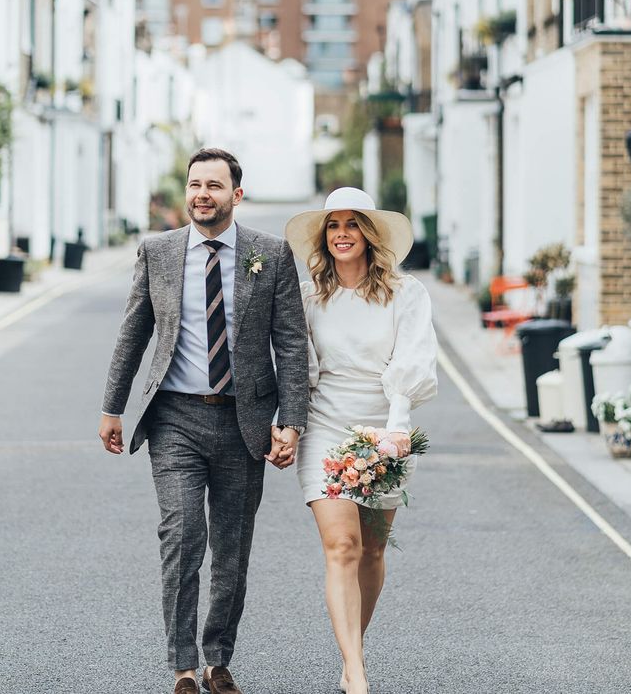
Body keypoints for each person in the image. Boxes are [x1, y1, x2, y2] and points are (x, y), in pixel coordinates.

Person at [99, 148, 308, 694]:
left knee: (232, 548)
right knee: (184, 536)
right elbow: (133, 332)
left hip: (245, 422)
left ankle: (218, 660)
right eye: (195, 184)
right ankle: (183, 667)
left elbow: (289, 343)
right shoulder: (158, 252)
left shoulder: (272, 254)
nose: (202, 195)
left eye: (214, 185)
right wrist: (112, 407)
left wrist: (291, 421)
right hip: (174, 420)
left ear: (236, 195)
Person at [283, 187, 438, 694]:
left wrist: (392, 437)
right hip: (326, 424)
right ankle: (356, 674)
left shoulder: (405, 293)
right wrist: (288, 423)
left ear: (368, 234)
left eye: (352, 224)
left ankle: (352, 652)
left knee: (372, 550)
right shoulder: (309, 296)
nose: (342, 234)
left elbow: (413, 363)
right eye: (333, 225)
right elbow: (297, 367)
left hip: (386, 427)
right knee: (342, 545)